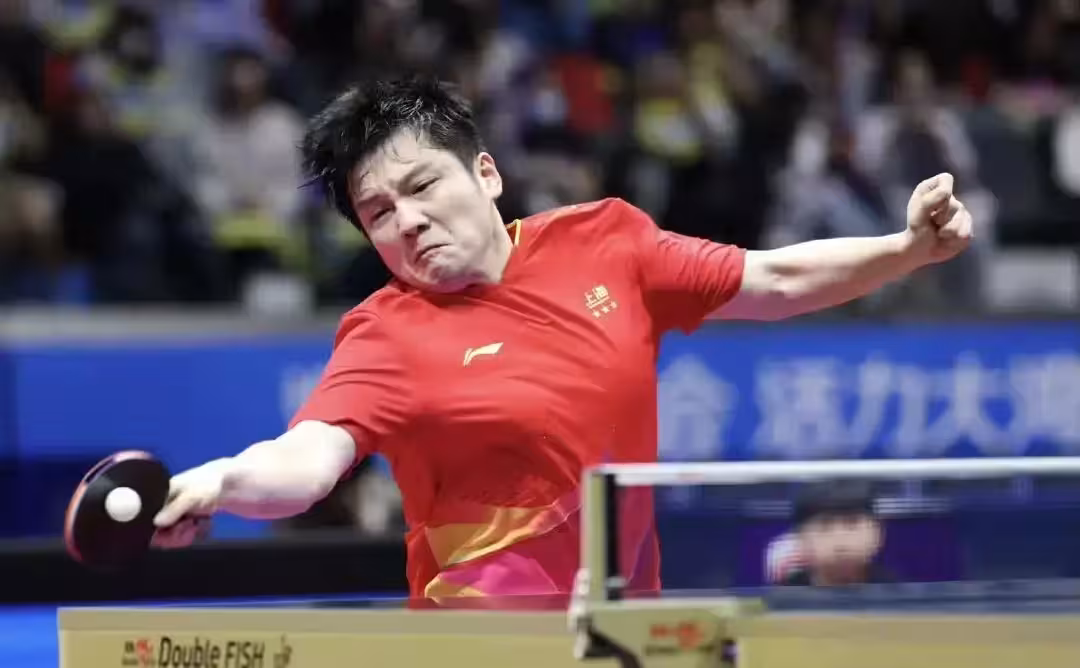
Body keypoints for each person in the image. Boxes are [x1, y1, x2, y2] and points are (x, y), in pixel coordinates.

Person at [151, 76, 974, 600]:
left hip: (620, 637)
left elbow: (776, 280)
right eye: (379, 213)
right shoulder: (384, 334)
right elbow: (307, 461)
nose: (409, 221)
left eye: (422, 185)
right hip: (481, 650)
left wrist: (905, 250)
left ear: (485, 173)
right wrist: (222, 480)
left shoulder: (606, 242)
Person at [776, 481, 892, 587]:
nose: (841, 543)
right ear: (801, 538)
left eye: (852, 524)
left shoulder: (894, 590)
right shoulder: (782, 596)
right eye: (824, 527)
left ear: (878, 533)